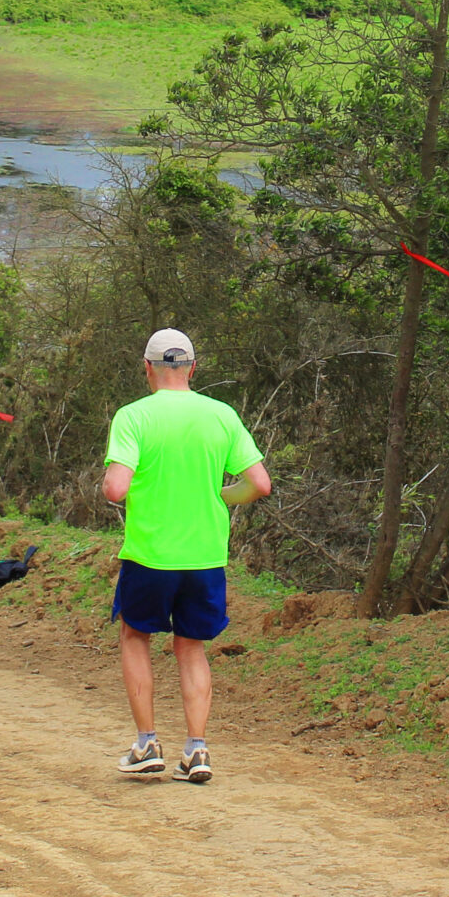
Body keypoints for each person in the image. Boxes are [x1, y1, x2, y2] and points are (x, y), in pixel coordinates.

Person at [102, 329, 271, 783]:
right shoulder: (221, 416)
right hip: (205, 556)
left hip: (150, 554)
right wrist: (222, 496)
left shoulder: (133, 417)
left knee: (136, 637)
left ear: (147, 369)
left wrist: (122, 487)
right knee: (191, 647)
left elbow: (116, 487)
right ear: (193, 368)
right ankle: (196, 750)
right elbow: (260, 483)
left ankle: (147, 744)